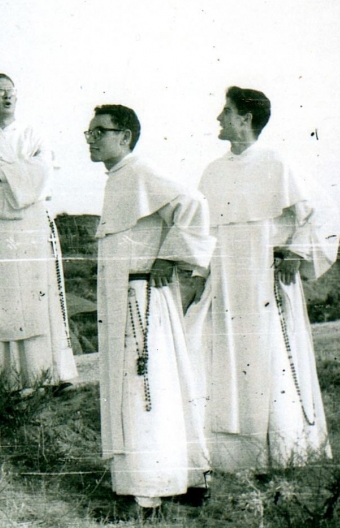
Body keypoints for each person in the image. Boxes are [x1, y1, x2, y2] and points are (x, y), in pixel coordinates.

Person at [189, 86, 340, 472]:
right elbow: (203, 233)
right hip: (224, 282)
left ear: (246, 118)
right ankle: (223, 458)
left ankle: (283, 455)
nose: (218, 118)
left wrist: (297, 251)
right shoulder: (213, 171)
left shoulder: (277, 162)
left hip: (263, 279)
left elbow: (323, 213)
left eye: (226, 111)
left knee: (269, 361)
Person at [87, 104, 215, 510]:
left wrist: (169, 258)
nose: (90, 139)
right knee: (145, 387)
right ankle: (175, 478)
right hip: (125, 298)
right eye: (88, 133)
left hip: (142, 297)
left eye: (98, 132)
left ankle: (150, 491)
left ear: (124, 135)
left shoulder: (141, 171)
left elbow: (194, 205)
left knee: (146, 388)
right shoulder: (118, 178)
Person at [0, 74, 77, 387]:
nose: (7, 97)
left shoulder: (33, 134)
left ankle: (48, 375)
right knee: (1, 299)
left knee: (37, 296)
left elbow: (44, 175)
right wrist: (15, 183)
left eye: (11, 91)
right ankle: (6, 380)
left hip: (32, 227)